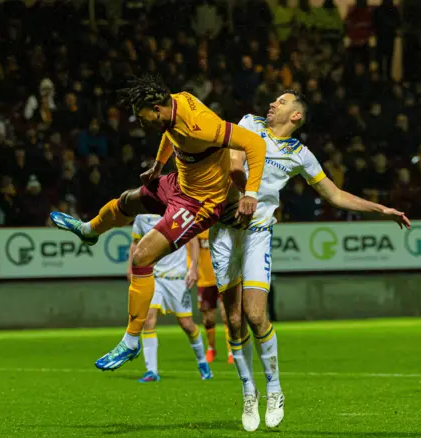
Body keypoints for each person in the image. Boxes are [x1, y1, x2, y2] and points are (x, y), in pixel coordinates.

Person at [211, 90, 410, 431]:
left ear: (296, 116)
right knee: (232, 320)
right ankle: (248, 390)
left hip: (257, 231)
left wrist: (382, 209)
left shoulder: (300, 155)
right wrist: (245, 192)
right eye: (274, 99)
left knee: (255, 314)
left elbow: (333, 194)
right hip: (224, 231)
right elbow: (233, 164)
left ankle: (274, 388)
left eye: (282, 101)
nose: (272, 103)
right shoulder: (247, 124)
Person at [50, 75, 267, 371]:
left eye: (142, 119)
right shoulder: (175, 104)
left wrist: (250, 193)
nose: (141, 125)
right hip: (179, 183)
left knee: (142, 256)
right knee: (127, 201)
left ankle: (130, 341)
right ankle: (89, 230)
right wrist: (157, 167)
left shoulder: (200, 125)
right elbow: (171, 135)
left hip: (198, 203)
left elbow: (253, 143)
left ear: (156, 109)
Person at [129, 214, 212, 382]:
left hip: (177, 279)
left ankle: (202, 362)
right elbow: (136, 244)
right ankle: (151, 371)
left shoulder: (178, 211)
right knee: (148, 320)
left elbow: (193, 240)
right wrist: (131, 267)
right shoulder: (141, 217)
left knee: (187, 325)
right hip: (154, 277)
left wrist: (194, 268)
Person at [195, 229, 233, 364]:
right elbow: (190, 249)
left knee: (227, 315)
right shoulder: (199, 225)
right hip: (205, 279)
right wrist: (192, 268)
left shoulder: (224, 226)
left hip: (225, 277)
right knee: (208, 318)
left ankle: (231, 351)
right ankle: (211, 348)